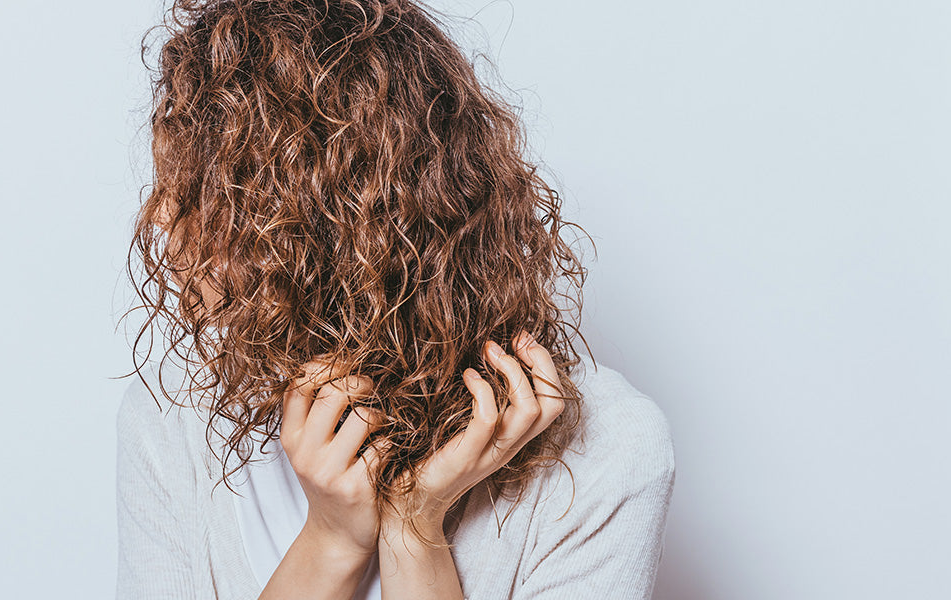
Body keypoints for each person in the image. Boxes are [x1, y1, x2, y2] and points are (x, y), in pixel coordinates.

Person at [116, 1, 675, 598]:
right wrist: (331, 542)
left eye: (203, 202)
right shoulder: (171, 418)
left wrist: (415, 528)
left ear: (333, 230)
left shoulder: (609, 450)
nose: (164, 229)